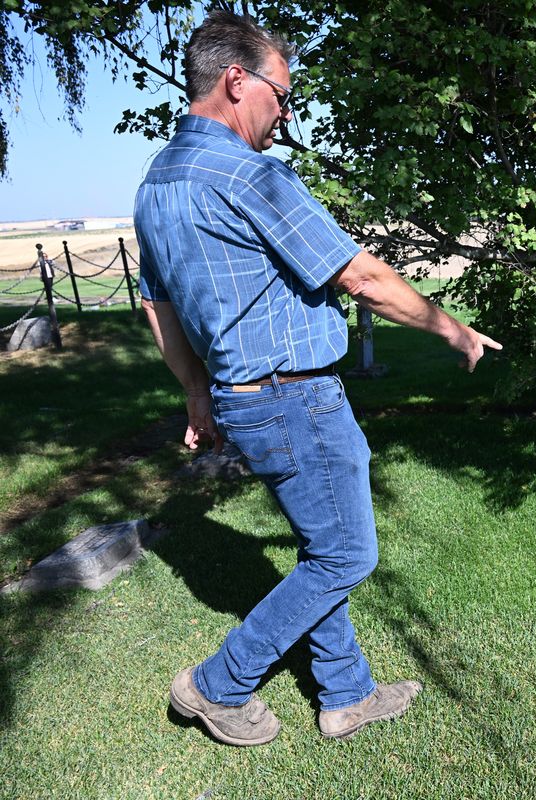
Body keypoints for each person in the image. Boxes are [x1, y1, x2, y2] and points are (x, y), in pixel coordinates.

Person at [134, 11, 501, 746]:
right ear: (237, 82)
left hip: (244, 401)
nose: (287, 111)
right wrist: (452, 330)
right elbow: (361, 275)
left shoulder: (157, 182)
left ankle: (345, 694)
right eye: (282, 93)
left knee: (320, 544)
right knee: (346, 554)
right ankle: (216, 684)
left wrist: (196, 392)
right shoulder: (249, 174)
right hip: (292, 398)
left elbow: (159, 308)